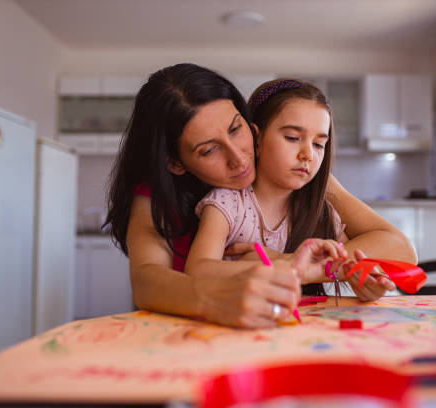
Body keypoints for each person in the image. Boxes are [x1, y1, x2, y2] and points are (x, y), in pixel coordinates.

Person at [105, 63, 416, 329]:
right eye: (209, 149)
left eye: (236, 129)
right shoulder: (161, 199)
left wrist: (307, 265)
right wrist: (228, 291)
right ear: (174, 162)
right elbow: (147, 282)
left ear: (252, 126)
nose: (239, 158)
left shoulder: (302, 181)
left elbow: (399, 250)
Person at [184, 78, 390, 300]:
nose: (308, 155)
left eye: (319, 144)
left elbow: (346, 267)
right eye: (293, 138)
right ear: (257, 137)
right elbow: (197, 270)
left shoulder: (322, 212)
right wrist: (288, 266)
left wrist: (366, 285)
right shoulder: (228, 204)